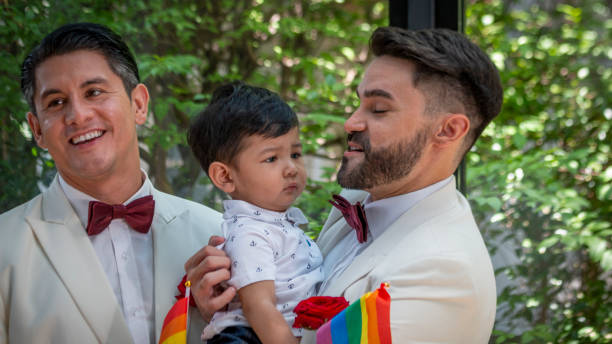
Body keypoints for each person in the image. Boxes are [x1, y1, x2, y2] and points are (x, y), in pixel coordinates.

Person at [186, 26, 503, 344]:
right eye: (358, 104)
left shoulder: (442, 272)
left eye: (378, 109)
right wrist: (226, 306)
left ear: (448, 130)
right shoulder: (360, 199)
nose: (350, 122)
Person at [0, 23, 221, 344]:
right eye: (56, 102)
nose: (78, 115)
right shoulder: (4, 246)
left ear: (139, 104)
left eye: (94, 92)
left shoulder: (217, 234)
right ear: (37, 129)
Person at [187, 82, 324, 344]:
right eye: (272, 158)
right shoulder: (250, 233)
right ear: (225, 176)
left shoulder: (274, 224)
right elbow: (258, 307)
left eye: (295, 154)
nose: (291, 168)